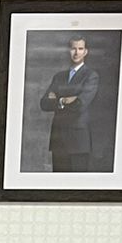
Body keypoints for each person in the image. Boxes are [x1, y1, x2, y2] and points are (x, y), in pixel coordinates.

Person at [38, 35, 101, 172]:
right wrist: (64, 100)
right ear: (68, 51)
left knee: (77, 183)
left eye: (80, 48)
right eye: (73, 48)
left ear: (86, 52)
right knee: (58, 182)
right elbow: (44, 103)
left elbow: (80, 105)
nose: (76, 52)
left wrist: (57, 99)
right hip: (58, 140)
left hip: (78, 142)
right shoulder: (59, 76)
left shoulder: (91, 76)